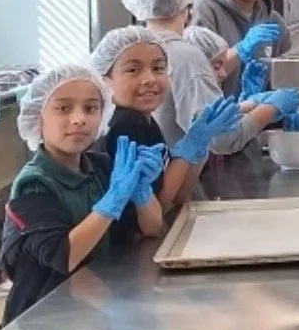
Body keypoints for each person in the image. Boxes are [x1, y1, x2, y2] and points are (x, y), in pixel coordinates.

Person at [0, 66, 164, 324]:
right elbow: (65, 256)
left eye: (90, 108)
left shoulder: (102, 167)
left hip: (92, 310)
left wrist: (142, 191)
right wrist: (113, 200)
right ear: (37, 117)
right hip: (42, 319)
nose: (79, 119)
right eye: (63, 108)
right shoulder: (34, 184)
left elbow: (152, 228)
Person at [121, 0, 299, 153]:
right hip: (178, 175)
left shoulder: (133, 48)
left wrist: (248, 103)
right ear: (188, 5)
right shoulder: (186, 57)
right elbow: (220, 139)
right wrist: (271, 108)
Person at [91, 26, 242, 212]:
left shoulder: (144, 119)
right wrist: (189, 147)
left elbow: (177, 195)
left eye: (158, 68)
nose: (149, 79)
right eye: (132, 70)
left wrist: (198, 147)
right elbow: (159, 203)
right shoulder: (125, 124)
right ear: (104, 78)